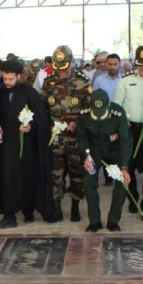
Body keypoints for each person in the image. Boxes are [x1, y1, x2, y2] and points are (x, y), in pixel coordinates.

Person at [0, 60, 52, 228]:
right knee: (8, 179)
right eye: (5, 79)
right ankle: (9, 215)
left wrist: (31, 126)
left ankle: (28, 210)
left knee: (27, 177)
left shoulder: (29, 93)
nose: (7, 82)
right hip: (5, 146)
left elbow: (41, 118)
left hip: (26, 146)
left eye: (11, 79)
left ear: (19, 77)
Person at [40, 45, 92, 223]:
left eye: (65, 67)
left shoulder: (83, 82)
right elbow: (42, 108)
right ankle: (56, 207)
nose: (61, 72)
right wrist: (47, 125)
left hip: (76, 138)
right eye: (58, 68)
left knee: (77, 173)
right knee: (55, 173)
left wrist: (79, 123)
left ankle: (75, 206)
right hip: (55, 137)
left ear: (72, 63)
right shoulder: (48, 83)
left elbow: (90, 110)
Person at [114, 45, 143, 220]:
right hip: (130, 129)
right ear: (135, 63)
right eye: (140, 64)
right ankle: (132, 198)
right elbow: (116, 105)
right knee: (129, 167)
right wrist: (122, 120)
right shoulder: (125, 80)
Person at [78, 90, 132, 232]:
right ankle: (94, 221)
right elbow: (82, 137)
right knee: (88, 182)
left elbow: (125, 140)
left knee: (122, 182)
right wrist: (86, 156)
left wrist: (124, 167)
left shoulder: (118, 113)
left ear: (108, 104)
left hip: (114, 151)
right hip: (93, 153)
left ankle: (113, 221)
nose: (98, 115)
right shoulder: (84, 114)